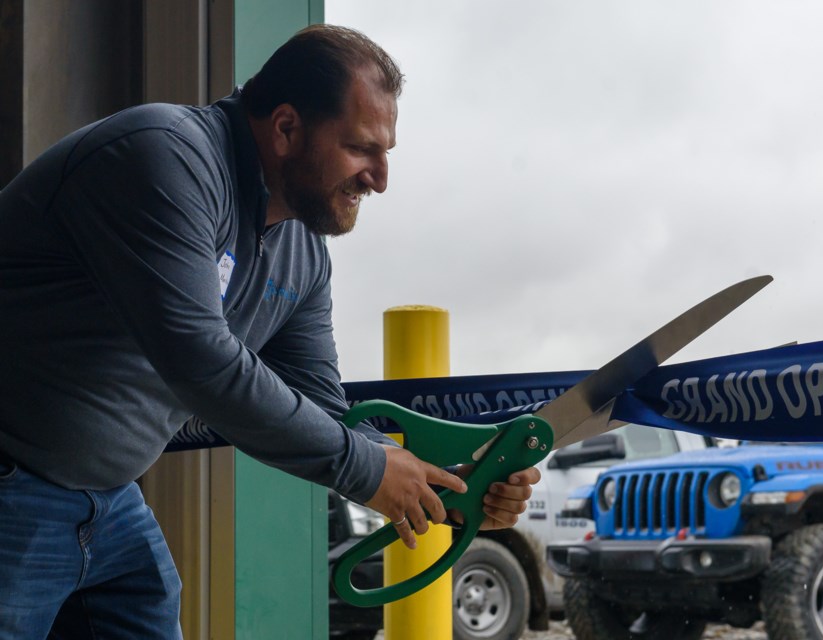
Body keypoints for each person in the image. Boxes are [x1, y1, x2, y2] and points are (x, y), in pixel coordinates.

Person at [0, 24, 540, 638]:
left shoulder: (302, 254)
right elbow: (204, 362)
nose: (380, 178)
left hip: (107, 498)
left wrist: (458, 481)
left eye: (386, 152)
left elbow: (327, 410)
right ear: (285, 128)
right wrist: (368, 471)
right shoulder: (165, 159)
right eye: (362, 148)